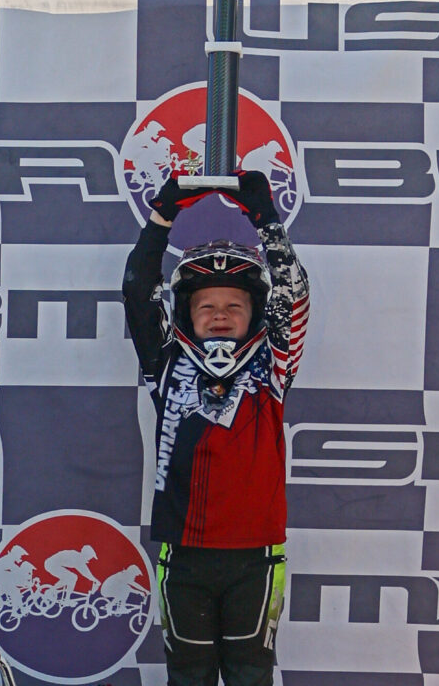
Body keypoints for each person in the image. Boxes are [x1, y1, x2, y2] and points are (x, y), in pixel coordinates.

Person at [123, 170, 309, 686]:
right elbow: (137, 292)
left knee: (252, 676)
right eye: (206, 305)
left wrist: (266, 219)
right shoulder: (166, 364)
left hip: (256, 556)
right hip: (183, 556)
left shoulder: (273, 366)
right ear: (187, 313)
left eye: (234, 306)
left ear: (256, 314)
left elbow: (293, 296)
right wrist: (162, 216)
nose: (220, 316)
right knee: (188, 677)